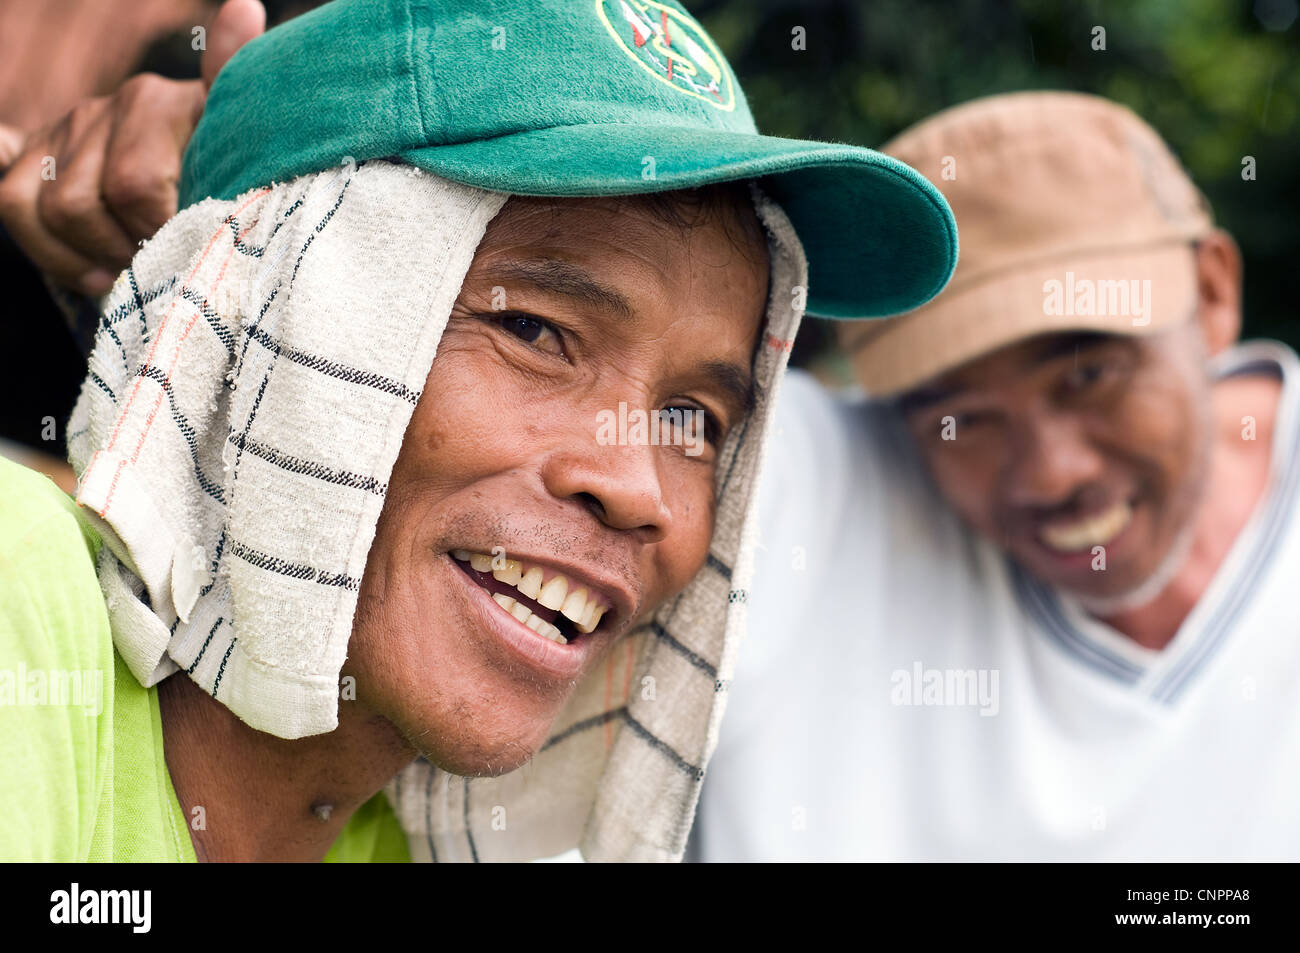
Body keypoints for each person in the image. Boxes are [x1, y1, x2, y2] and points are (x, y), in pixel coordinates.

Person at [0, 0, 956, 862]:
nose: (638, 486)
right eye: (534, 331)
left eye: (692, 419)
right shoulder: (19, 596)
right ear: (263, 314)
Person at [690, 91, 1300, 861]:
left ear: (1212, 295)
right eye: (963, 418)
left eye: (1091, 375)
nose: (1051, 474)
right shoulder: (816, 486)